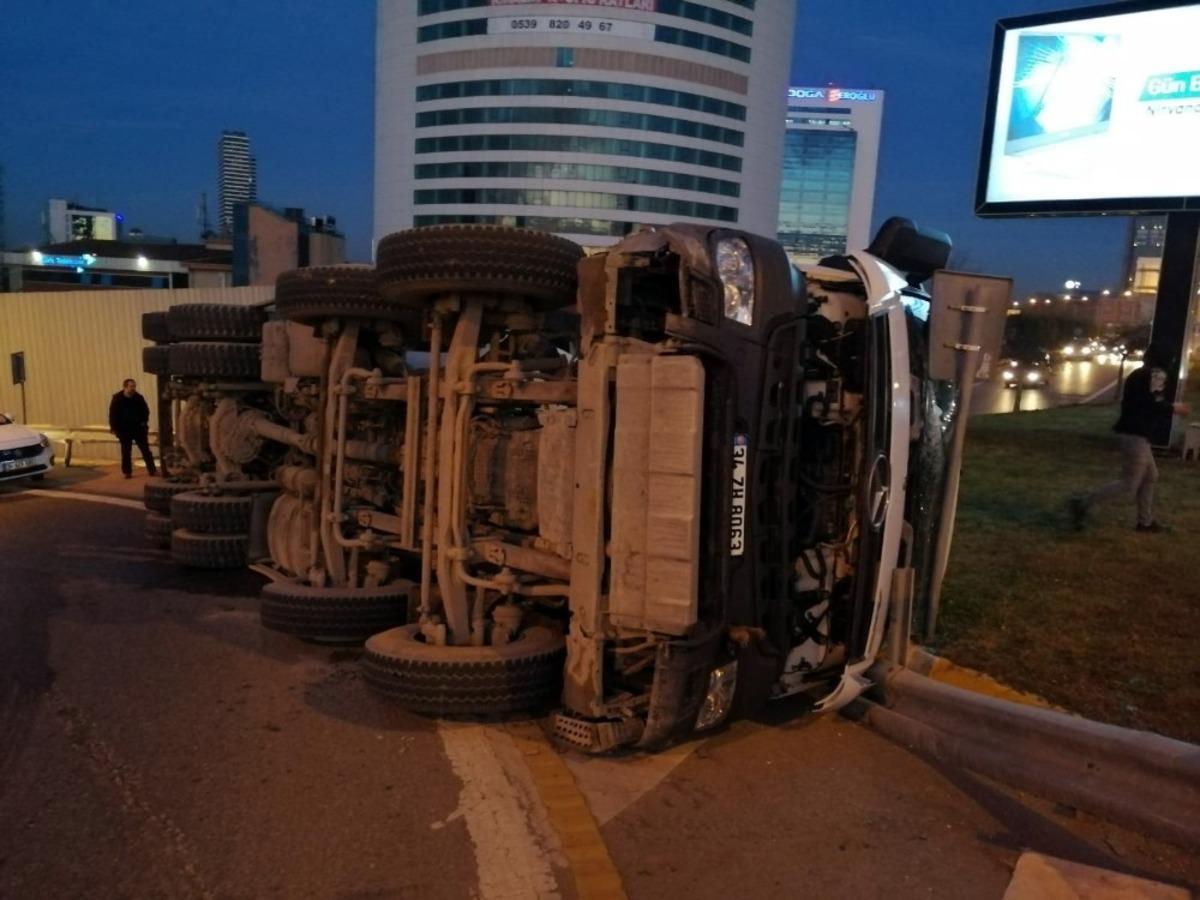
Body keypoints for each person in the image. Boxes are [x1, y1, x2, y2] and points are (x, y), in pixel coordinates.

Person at [1069, 347, 1189, 532]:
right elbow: (1150, 404)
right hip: (1135, 434)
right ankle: (1082, 504)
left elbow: (1145, 402)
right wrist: (1173, 408)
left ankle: (1145, 522)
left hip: (1133, 432)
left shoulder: (1140, 374)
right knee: (1129, 483)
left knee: (1150, 476)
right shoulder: (1153, 375)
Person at [108, 378, 158, 479]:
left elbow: (145, 411)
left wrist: (143, 422)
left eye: (134, 386)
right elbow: (113, 414)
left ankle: (152, 470)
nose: (133, 388)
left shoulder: (138, 398)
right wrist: (114, 428)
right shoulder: (117, 399)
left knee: (145, 450)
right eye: (131, 386)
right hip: (124, 430)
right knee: (126, 451)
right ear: (125, 387)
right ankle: (127, 472)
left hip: (138, 428)